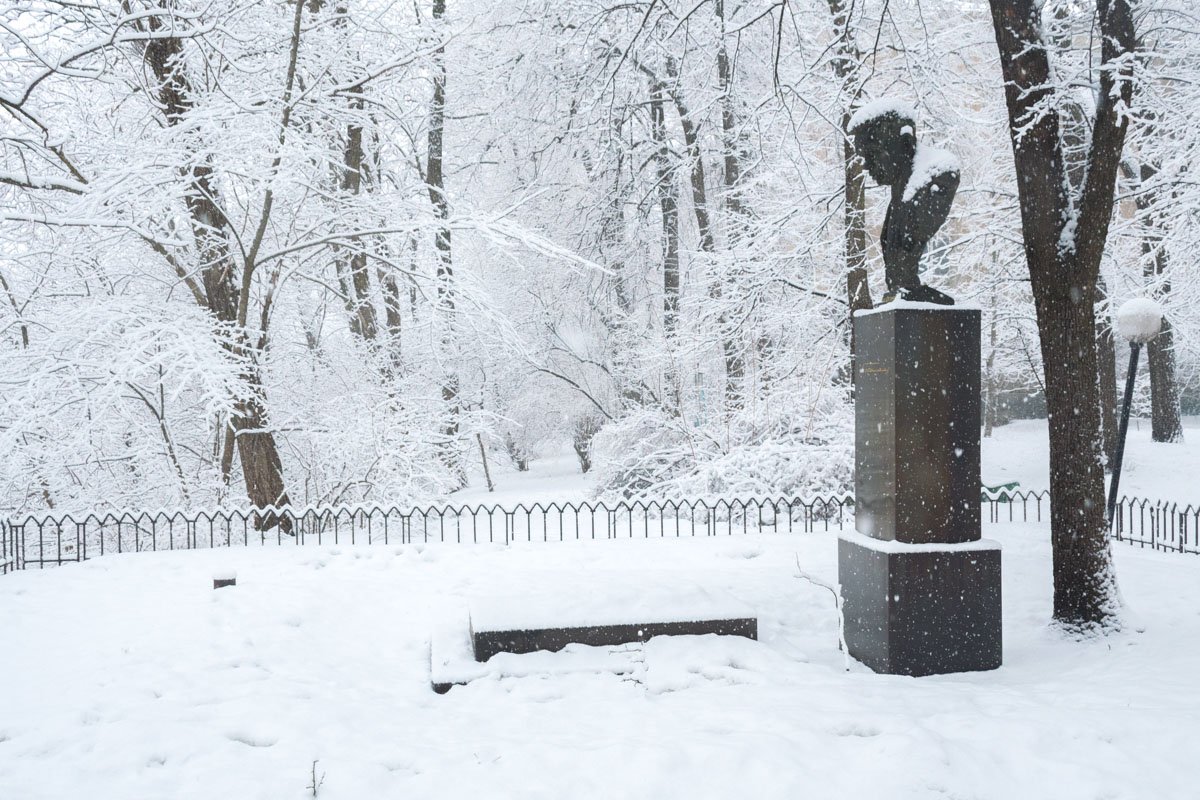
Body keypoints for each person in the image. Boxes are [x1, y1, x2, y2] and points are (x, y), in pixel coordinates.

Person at [848, 100, 959, 305]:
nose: (867, 166)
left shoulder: (940, 175)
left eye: (873, 154)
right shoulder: (899, 192)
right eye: (864, 157)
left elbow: (913, 231)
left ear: (904, 144)